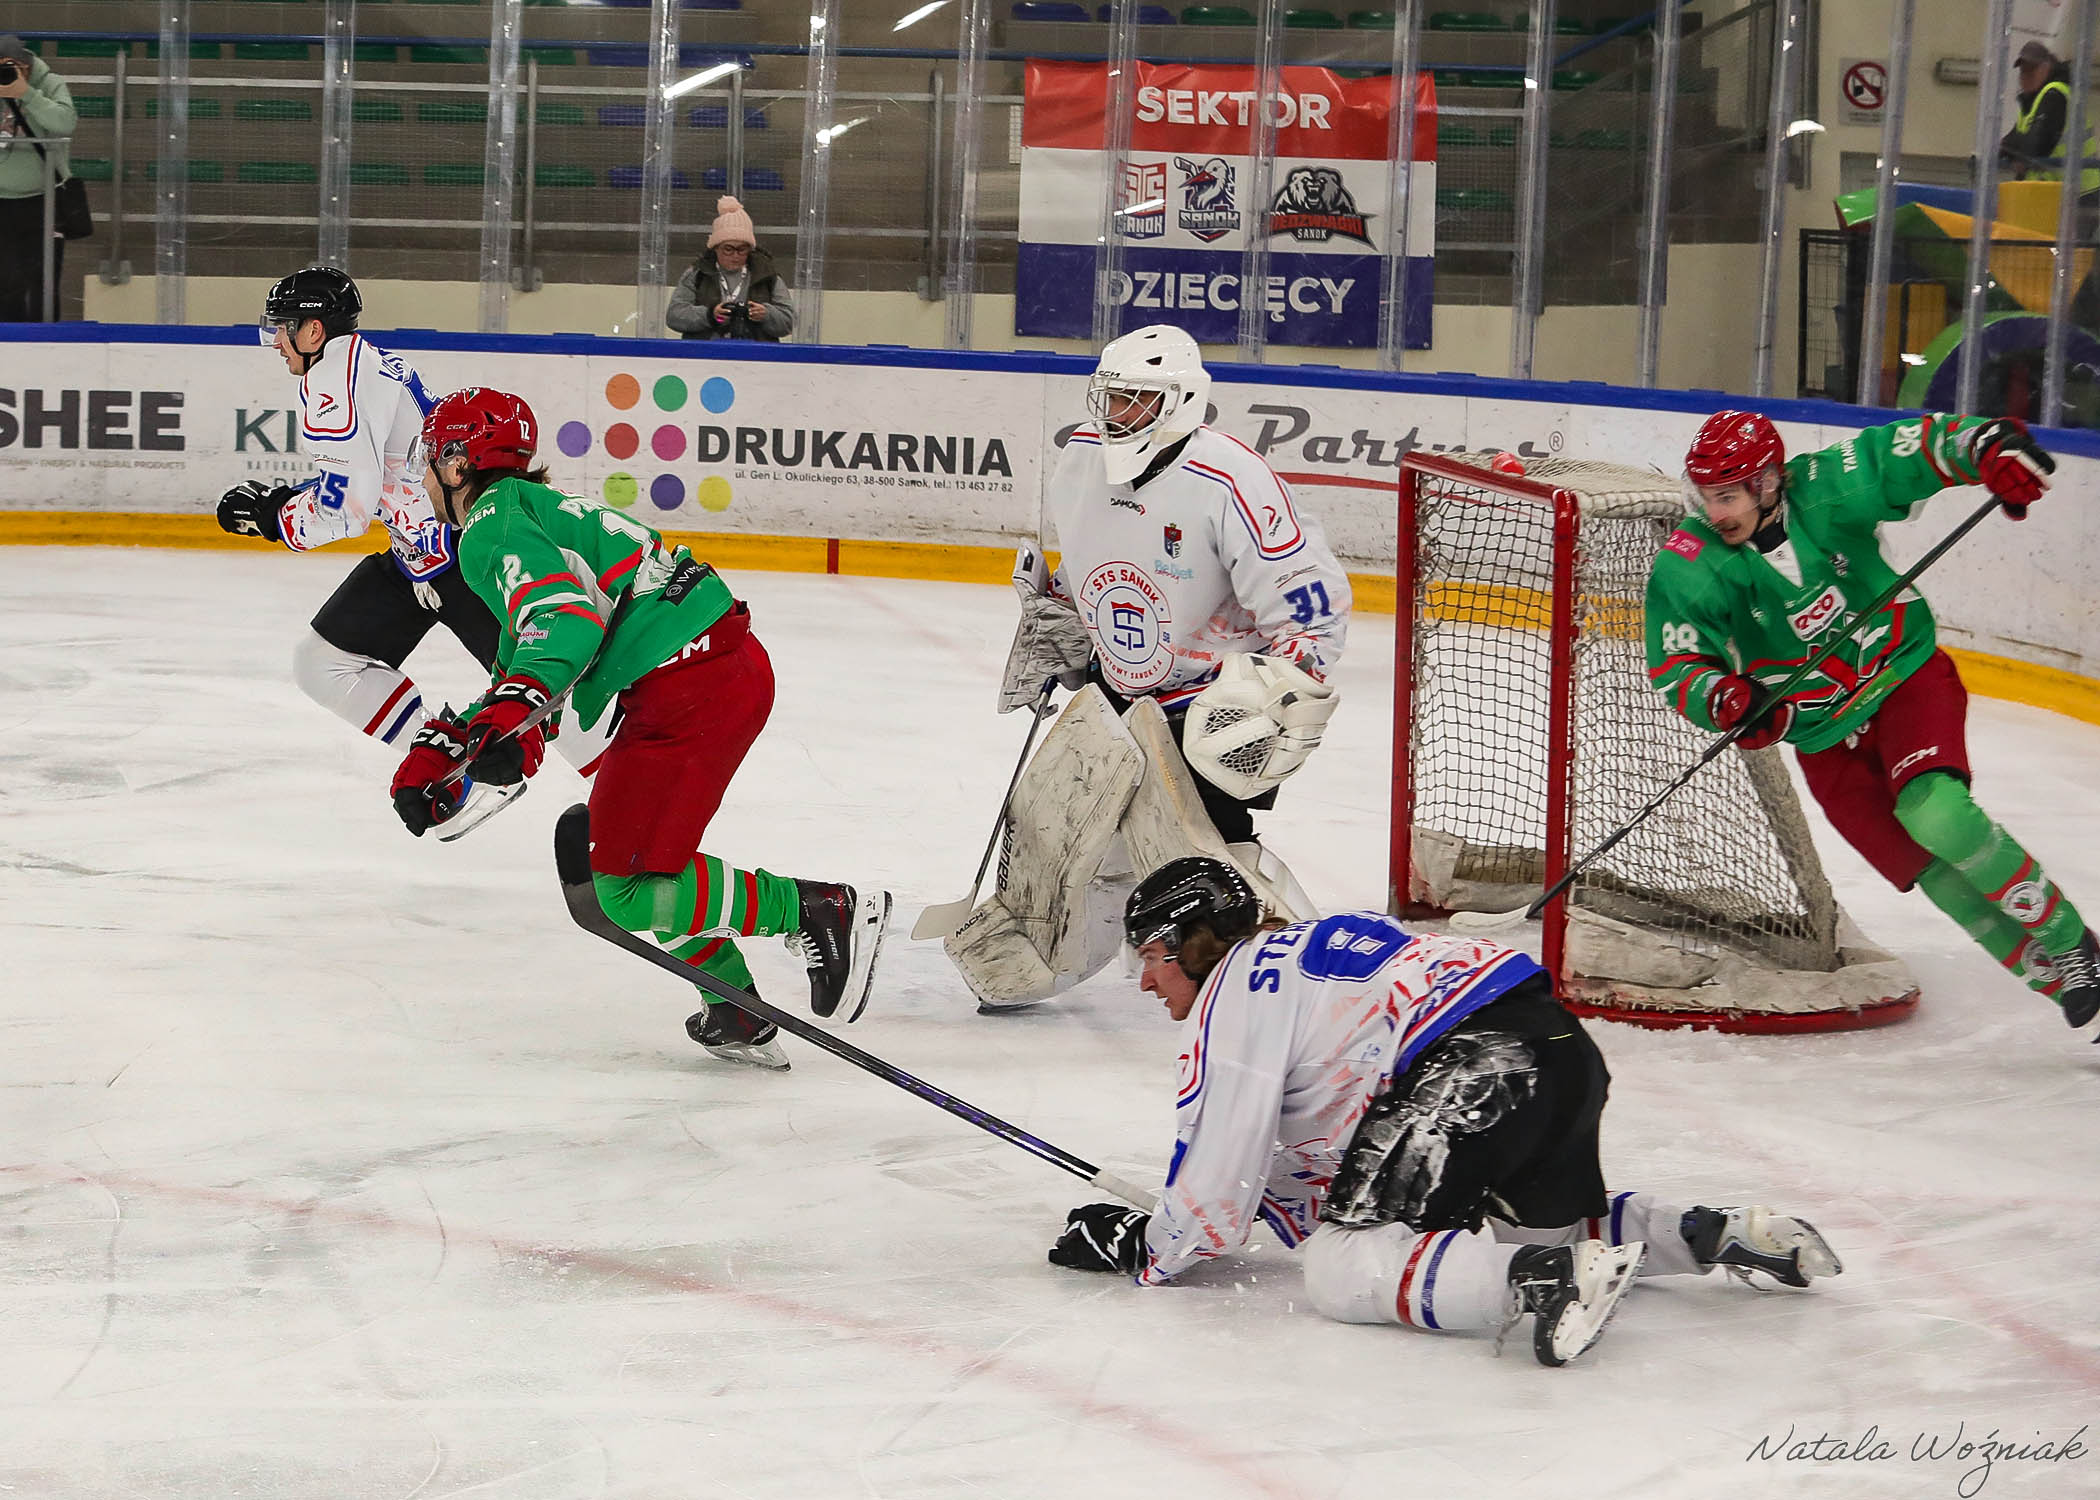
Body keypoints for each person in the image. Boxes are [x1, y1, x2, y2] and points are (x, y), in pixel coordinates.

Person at [1045, 858, 1842, 1368]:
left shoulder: (1232, 995)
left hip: (1470, 1066)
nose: (1145, 982)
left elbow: (1216, 1185)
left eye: (1150, 957)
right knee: (1533, 1226)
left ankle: (1542, 1283)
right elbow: (1336, 1145)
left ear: (1192, 943)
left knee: (1342, 1266)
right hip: (1556, 1047)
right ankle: (1710, 1232)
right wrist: (1258, 1207)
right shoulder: (1320, 945)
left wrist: (1147, 1246)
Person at [388, 387, 890, 1069]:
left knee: (620, 888)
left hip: (692, 686)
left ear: (456, 464)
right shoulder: (527, 509)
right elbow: (532, 665)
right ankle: (735, 1007)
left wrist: (506, 719)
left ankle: (815, 908)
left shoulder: (487, 527)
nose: (422, 478)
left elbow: (560, 624)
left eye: (429, 460)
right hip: (707, 671)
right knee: (642, 863)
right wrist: (459, 751)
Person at [1647, 410, 2099, 1037]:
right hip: (1820, 735)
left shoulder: (1825, 488)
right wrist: (1725, 698)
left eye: (1727, 496)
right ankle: (2063, 984)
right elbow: (1677, 662)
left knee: (1935, 814)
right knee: (1923, 867)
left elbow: (1902, 453)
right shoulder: (1692, 560)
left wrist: (1979, 447)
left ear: (1768, 482)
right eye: (1705, 496)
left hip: (1902, 679)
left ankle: (2072, 944)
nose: (1713, 511)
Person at [945, 324, 1351, 1011]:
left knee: (1204, 862)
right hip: (1117, 691)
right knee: (1061, 832)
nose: (1117, 413)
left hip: (1207, 706)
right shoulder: (1081, 456)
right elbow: (1088, 556)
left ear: (1182, 402)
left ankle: (1305, 987)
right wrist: (1065, 615)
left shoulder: (1231, 479)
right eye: (1111, 396)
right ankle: (1039, 961)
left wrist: (1282, 694)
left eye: (1137, 399)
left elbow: (1310, 606)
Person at [0, 35, 75, 322]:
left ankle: (45, 340)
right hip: (2, 200)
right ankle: (8, 340)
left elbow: (65, 123)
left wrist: (27, 94)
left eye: (10, 67)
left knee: (43, 281)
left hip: (44, 199)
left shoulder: (50, 84)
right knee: (5, 281)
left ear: (26, 65)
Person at [665, 195, 792, 342]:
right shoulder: (696, 274)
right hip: (705, 352)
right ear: (715, 247)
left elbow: (788, 321)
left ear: (750, 249)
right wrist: (709, 315)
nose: (735, 255)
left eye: (742, 249)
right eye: (728, 249)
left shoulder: (768, 276)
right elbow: (674, 316)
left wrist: (766, 315)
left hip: (756, 353)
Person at [2000, 40, 2100, 197]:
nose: (2026, 76)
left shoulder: (2055, 94)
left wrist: (2014, 151)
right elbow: (2013, 141)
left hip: (2081, 193)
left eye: (2031, 70)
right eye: (2023, 71)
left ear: (2046, 68)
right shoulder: (2032, 103)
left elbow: (2037, 145)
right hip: (2061, 192)